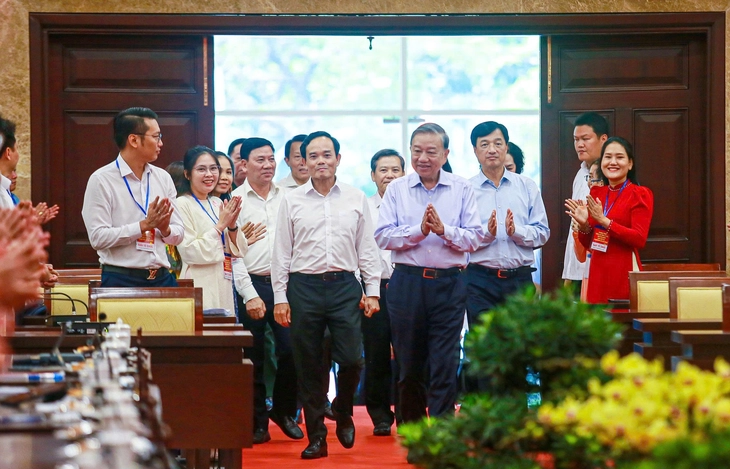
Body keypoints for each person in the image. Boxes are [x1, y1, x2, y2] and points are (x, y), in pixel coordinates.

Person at [272, 131, 381, 459]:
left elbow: (367, 248)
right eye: (313, 156)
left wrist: (372, 291)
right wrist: (280, 297)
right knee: (309, 366)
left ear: (338, 159)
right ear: (304, 162)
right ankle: (317, 437)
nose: (321, 161)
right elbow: (282, 251)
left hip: (344, 286)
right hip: (303, 287)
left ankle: (343, 408)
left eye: (327, 155)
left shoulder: (355, 198)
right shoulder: (291, 200)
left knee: (352, 359)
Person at [374, 123, 484, 424]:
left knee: (445, 362)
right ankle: (413, 431)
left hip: (449, 284)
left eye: (431, 152)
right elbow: (383, 236)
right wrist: (419, 231)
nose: (423, 158)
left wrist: (444, 230)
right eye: (417, 151)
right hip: (407, 283)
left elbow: (474, 238)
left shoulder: (461, 188)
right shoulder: (397, 189)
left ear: (445, 154)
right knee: (409, 364)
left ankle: (443, 431)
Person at [230, 138, 302, 445]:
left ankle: (283, 411)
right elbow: (232, 256)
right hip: (252, 284)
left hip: (286, 285)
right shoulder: (234, 200)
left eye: (271, 159)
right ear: (244, 164)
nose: (268, 165)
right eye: (260, 160)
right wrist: (249, 295)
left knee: (292, 351)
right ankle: (257, 420)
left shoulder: (289, 196)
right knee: (254, 356)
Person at [82, 107, 184, 287]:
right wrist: (143, 225)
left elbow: (179, 234)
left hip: (162, 278)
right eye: (156, 137)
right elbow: (98, 237)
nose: (161, 143)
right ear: (134, 140)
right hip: (121, 279)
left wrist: (165, 229)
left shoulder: (163, 178)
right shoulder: (101, 180)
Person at [465, 121, 550, 326]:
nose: (492, 150)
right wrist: (487, 234)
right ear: (475, 151)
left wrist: (516, 232)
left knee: (520, 340)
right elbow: (461, 239)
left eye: (497, 143)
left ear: (506, 147)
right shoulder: (466, 190)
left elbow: (542, 233)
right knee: (484, 339)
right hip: (479, 281)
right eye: (484, 144)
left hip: (519, 280)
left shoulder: (526, 186)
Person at [566, 137, 653, 304]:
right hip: (597, 269)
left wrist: (604, 221)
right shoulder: (597, 193)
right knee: (597, 318)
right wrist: (584, 225)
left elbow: (639, 239)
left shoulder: (639, 194)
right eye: (607, 157)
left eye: (619, 157)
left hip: (623, 269)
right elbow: (588, 243)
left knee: (622, 318)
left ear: (630, 164)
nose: (613, 162)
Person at [176, 146, 247, 312]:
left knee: (224, 324)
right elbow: (189, 251)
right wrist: (220, 226)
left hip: (223, 278)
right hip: (199, 280)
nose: (209, 174)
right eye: (201, 169)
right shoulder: (182, 204)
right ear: (187, 174)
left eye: (213, 169)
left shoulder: (217, 203)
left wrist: (232, 226)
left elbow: (239, 251)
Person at [364, 148, 404, 436]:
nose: (389, 175)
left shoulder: (413, 206)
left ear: (404, 174)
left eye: (395, 170)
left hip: (407, 285)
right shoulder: (363, 207)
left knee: (408, 353)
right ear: (373, 175)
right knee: (376, 353)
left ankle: (406, 412)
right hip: (374, 288)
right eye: (383, 170)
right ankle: (380, 415)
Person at [563, 113, 609, 293]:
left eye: (585, 139)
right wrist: (568, 274)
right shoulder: (580, 173)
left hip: (598, 269)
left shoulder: (610, 175)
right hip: (576, 269)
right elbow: (574, 228)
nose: (579, 145)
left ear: (603, 139)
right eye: (576, 140)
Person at [571, 160, 604, 301]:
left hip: (607, 271)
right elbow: (581, 257)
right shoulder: (584, 208)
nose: (589, 183)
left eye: (593, 178)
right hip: (589, 271)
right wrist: (579, 230)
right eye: (588, 178)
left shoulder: (612, 207)